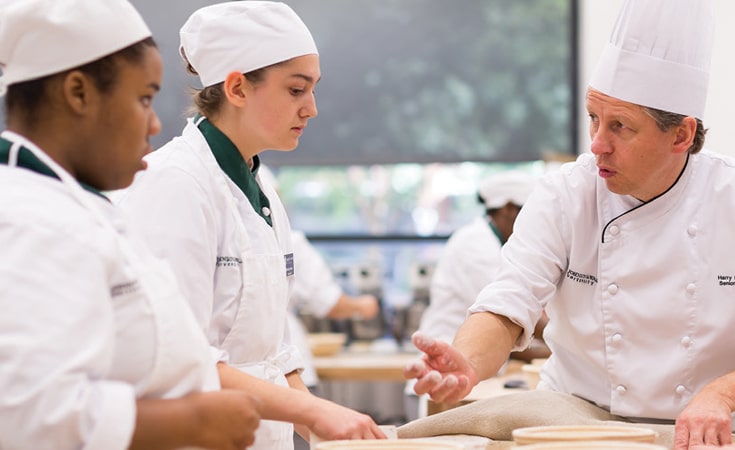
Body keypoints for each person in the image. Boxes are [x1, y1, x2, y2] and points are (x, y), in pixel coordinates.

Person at [404, 0, 735, 449]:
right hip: (575, 422)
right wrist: (466, 361)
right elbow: (507, 304)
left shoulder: (728, 199)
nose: (597, 145)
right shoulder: (566, 194)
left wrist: (722, 393)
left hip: (705, 427)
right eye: (594, 119)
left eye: (621, 127)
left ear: (680, 135)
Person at [115, 2, 385, 449]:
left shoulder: (259, 190)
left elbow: (272, 351)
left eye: (313, 89)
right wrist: (315, 410)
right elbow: (177, 360)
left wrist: (321, 427)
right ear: (238, 88)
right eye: (297, 90)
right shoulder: (175, 185)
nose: (312, 109)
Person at [0, 1, 261, 449]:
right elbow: (26, 416)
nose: (155, 122)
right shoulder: (31, 221)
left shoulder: (75, 209)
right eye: (144, 98)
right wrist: (192, 420)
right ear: (78, 93)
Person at [404, 171, 547, 420]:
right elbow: (515, 312)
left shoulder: (501, 245)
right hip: (442, 380)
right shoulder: (476, 245)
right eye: (532, 214)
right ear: (509, 210)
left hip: (466, 379)